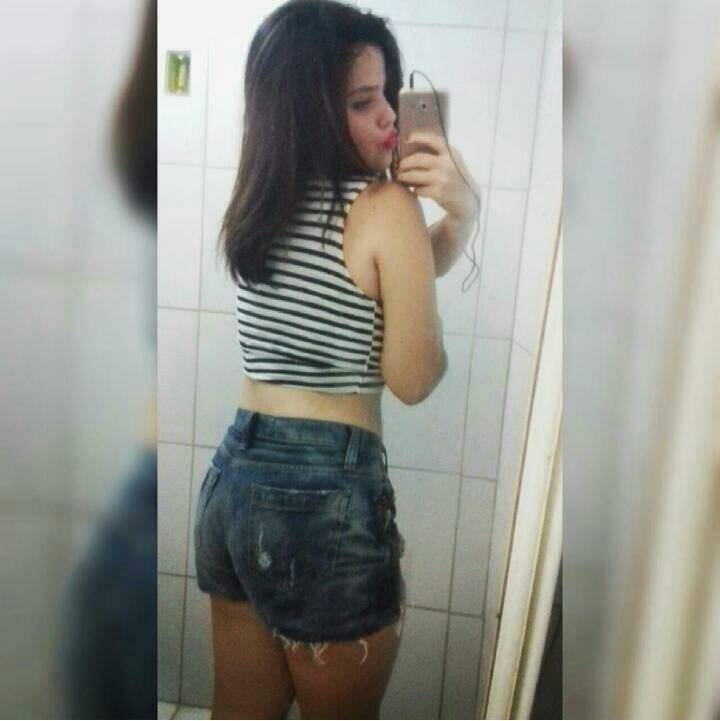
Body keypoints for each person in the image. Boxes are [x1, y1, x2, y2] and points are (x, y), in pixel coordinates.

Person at [193, 1, 478, 717]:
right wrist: (464, 207)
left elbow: (381, 281)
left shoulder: (262, 202)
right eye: (361, 102)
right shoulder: (385, 208)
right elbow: (412, 379)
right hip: (323, 495)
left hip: (233, 480)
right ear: (308, 111)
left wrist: (456, 223)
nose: (388, 117)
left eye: (388, 95)